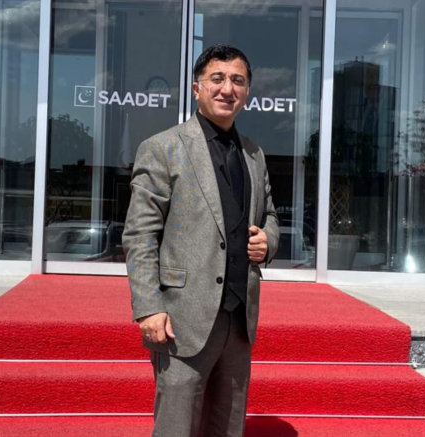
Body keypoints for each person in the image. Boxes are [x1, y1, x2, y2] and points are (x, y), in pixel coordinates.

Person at [123, 44, 280, 437]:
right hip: (182, 319)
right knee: (176, 427)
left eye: (237, 80)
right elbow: (140, 234)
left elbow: (270, 216)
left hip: (239, 321)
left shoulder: (254, 155)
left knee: (228, 427)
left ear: (247, 91)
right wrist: (148, 308)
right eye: (217, 78)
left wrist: (269, 241)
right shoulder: (163, 148)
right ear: (197, 88)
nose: (228, 88)